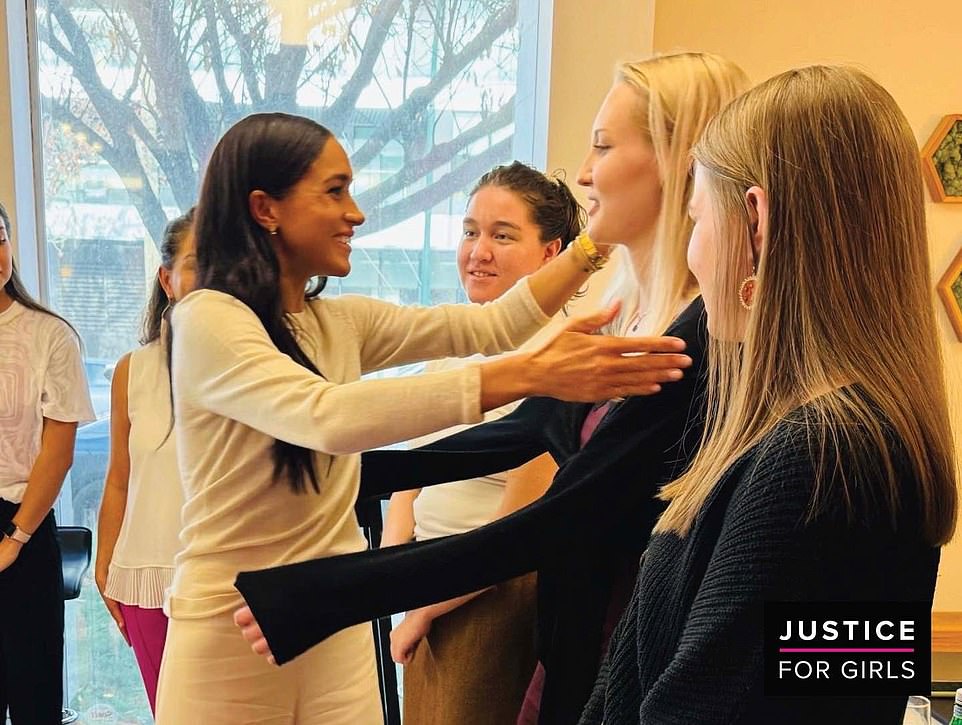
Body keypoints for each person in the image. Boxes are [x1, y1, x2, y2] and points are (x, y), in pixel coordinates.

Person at [233, 52, 749, 723]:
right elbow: (523, 429)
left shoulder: (693, 339)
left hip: (615, 649)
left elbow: (555, 516)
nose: (586, 172)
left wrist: (327, 593)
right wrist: (319, 474)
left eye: (602, 146)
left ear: (676, 159)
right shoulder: (623, 314)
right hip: (567, 638)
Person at [579, 65, 957, 724]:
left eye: (697, 218)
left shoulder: (821, 458)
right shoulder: (861, 443)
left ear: (756, 222)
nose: (694, 254)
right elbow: (841, 676)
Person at [381, 161, 581, 725]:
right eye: (470, 231)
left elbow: (520, 522)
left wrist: (424, 609)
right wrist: (402, 584)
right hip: (426, 598)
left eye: (502, 235)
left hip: (493, 603)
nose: (479, 251)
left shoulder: (562, 358)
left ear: (552, 253)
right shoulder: (450, 346)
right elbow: (407, 483)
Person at [95, 209, 195, 714]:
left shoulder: (256, 365)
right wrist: (105, 565)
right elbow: (119, 480)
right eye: (197, 266)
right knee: (171, 714)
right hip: (144, 579)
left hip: (224, 581)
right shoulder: (132, 370)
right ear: (167, 279)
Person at [0, 201, 95, 722]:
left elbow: (57, 452)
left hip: (23, 523)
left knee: (35, 700)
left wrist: (14, 540)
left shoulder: (48, 335)